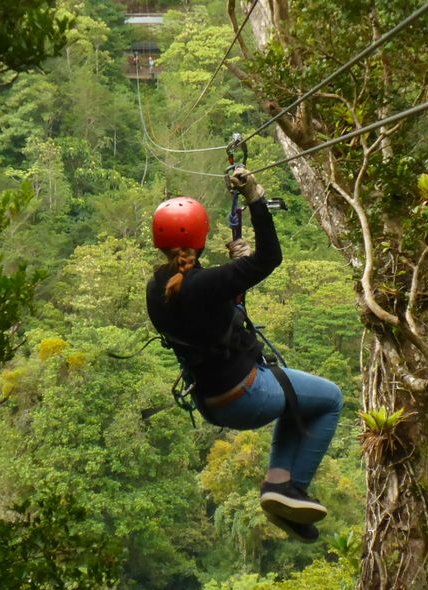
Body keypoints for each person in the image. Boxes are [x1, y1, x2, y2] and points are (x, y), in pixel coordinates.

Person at [145, 170, 343, 543]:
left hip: (211, 401)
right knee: (330, 398)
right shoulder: (206, 283)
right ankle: (293, 486)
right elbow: (271, 258)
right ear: (200, 239)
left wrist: (235, 274)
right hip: (247, 394)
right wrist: (255, 199)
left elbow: (203, 307)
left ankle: (278, 485)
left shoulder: (156, 290)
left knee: (298, 402)